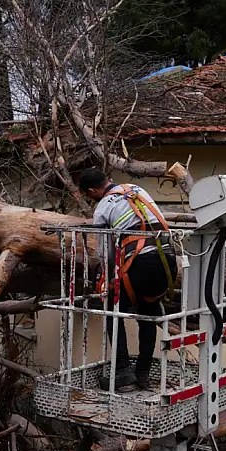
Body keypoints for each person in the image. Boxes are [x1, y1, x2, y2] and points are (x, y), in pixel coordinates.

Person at [78, 167, 177, 391]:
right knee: (148, 313)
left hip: (140, 263)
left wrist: (106, 277)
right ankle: (142, 373)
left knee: (113, 310)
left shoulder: (102, 208)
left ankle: (123, 372)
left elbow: (105, 253)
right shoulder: (137, 189)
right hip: (167, 260)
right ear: (109, 180)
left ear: (92, 191)